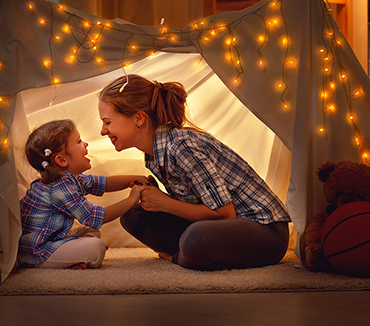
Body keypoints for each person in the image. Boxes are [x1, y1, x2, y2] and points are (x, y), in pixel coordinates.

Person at [98, 75, 291, 271]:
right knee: (133, 215)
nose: (103, 131)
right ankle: (191, 253)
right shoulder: (154, 155)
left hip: (265, 231)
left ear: (139, 118)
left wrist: (165, 203)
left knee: (196, 238)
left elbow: (225, 215)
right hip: (220, 227)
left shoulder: (183, 147)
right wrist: (157, 199)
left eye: (107, 122)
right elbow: (196, 205)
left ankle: (180, 257)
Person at [18, 119, 148, 269]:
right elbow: (93, 217)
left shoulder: (69, 179)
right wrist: (132, 199)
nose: (85, 144)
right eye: (79, 141)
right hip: (37, 251)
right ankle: (77, 255)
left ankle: (75, 256)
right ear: (61, 160)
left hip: (52, 238)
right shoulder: (58, 188)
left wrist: (134, 179)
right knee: (96, 247)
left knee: (91, 231)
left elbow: (104, 183)